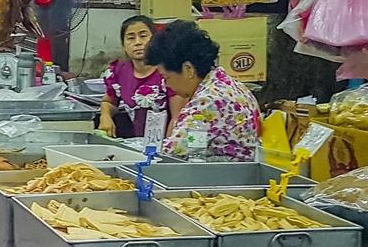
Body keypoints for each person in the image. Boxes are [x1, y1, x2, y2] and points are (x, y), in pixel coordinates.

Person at [146, 20, 262, 163]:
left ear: (188, 69)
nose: (166, 85)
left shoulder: (208, 101)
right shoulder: (228, 84)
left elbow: (173, 154)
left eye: (166, 77)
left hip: (224, 179)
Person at [98, 15, 181, 142]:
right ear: (123, 46)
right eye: (130, 38)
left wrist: (167, 149)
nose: (137, 42)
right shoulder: (119, 71)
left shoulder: (167, 71)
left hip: (168, 143)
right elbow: (109, 101)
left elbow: (177, 117)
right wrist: (105, 116)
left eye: (143, 36)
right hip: (137, 144)